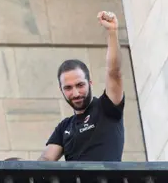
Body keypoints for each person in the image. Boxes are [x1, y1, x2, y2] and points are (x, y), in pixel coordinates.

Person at [38, 11, 125, 161]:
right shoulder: (64, 127)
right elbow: (44, 163)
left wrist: (112, 32)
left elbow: (114, 72)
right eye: (68, 88)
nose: (76, 93)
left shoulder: (107, 107)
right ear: (61, 90)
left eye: (80, 85)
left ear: (90, 83)